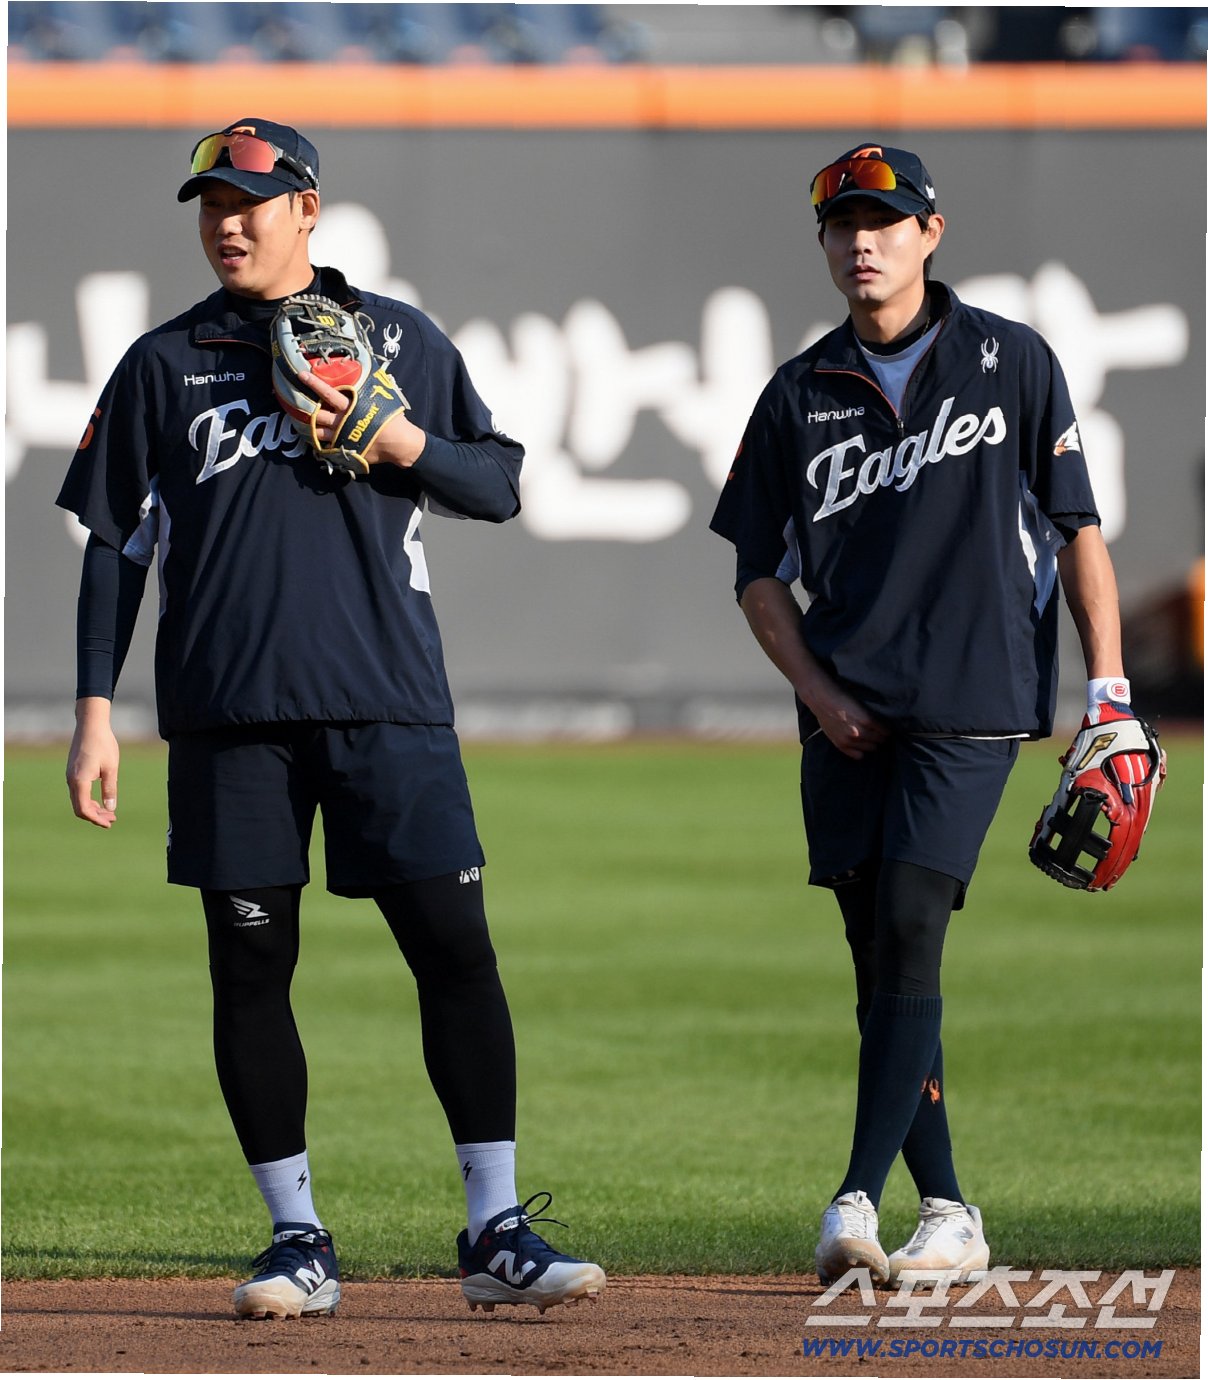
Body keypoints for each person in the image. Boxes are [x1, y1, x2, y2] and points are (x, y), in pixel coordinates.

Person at [59, 117, 605, 1321]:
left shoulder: (395, 338)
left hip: (387, 705)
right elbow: (113, 543)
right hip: (228, 718)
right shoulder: (163, 362)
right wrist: (95, 710)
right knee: (251, 967)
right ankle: (296, 1238)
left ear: (307, 209)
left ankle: (494, 1230)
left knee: (453, 950)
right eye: (211, 203)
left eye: (249, 200)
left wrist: (396, 437)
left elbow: (497, 483)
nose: (227, 222)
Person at [709, 143, 1143, 1285]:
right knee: (880, 963)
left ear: (929, 233)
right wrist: (818, 694)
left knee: (909, 919)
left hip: (972, 694)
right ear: (822, 241)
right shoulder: (798, 392)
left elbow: (1075, 530)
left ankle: (852, 1198)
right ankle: (948, 1210)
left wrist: (1107, 693)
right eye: (843, 223)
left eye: (886, 221)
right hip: (844, 711)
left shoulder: (1011, 360)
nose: (863, 241)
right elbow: (756, 574)